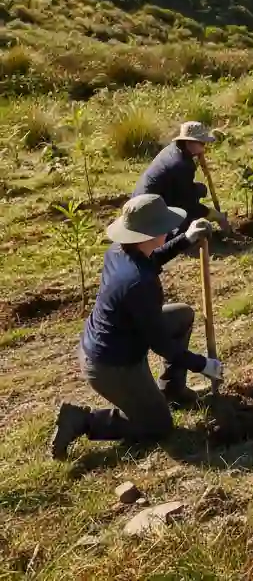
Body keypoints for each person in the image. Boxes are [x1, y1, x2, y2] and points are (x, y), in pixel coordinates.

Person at [49, 195, 224, 460]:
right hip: (113, 364)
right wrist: (203, 365)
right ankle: (81, 420)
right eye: (165, 227)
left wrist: (185, 239)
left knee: (181, 315)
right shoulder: (139, 284)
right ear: (149, 234)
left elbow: (151, 260)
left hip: (112, 338)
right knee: (159, 427)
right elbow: (162, 344)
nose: (169, 230)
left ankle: (172, 389)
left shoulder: (120, 251)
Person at [133, 122, 228, 237]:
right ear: (189, 142)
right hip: (147, 213)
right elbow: (187, 204)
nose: (204, 147)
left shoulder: (173, 149)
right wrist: (215, 215)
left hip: (146, 200)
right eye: (202, 143)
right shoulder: (181, 165)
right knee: (188, 222)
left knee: (200, 190)